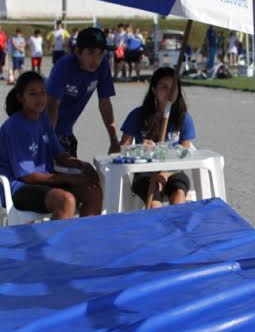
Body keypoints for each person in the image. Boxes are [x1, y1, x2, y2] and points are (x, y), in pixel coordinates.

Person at [0, 71, 102, 220]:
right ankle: (53, 243)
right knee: (65, 201)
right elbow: (27, 176)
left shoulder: (43, 119)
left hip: (44, 181)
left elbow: (59, 154)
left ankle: (82, 239)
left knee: (92, 190)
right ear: (21, 98)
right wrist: (69, 178)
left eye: (43, 92)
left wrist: (81, 165)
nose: (40, 98)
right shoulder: (14, 127)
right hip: (17, 187)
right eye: (33, 94)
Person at [119, 67, 196, 208]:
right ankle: (159, 229)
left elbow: (185, 155)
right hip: (144, 173)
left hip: (174, 171)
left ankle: (176, 229)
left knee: (178, 196)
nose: (170, 92)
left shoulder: (184, 118)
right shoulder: (138, 115)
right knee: (155, 204)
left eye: (173, 87)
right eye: (164, 87)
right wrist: (140, 149)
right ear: (154, 90)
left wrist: (165, 174)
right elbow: (123, 149)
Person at [46, 27, 120, 157]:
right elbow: (53, 103)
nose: (96, 59)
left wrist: (114, 140)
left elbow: (105, 102)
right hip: (44, 128)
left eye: (101, 53)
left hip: (66, 132)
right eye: (91, 53)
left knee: (77, 173)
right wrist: (49, 140)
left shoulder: (103, 65)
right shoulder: (64, 67)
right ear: (78, 52)